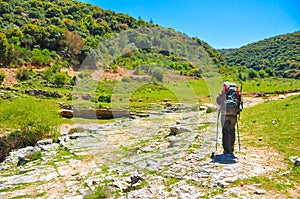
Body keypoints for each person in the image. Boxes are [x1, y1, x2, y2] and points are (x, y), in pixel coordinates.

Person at [216, 82, 241, 154]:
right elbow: (239, 102)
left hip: (224, 114)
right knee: (232, 130)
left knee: (225, 131)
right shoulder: (236, 94)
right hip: (233, 115)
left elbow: (218, 101)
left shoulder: (223, 94)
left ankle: (226, 150)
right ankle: (232, 148)